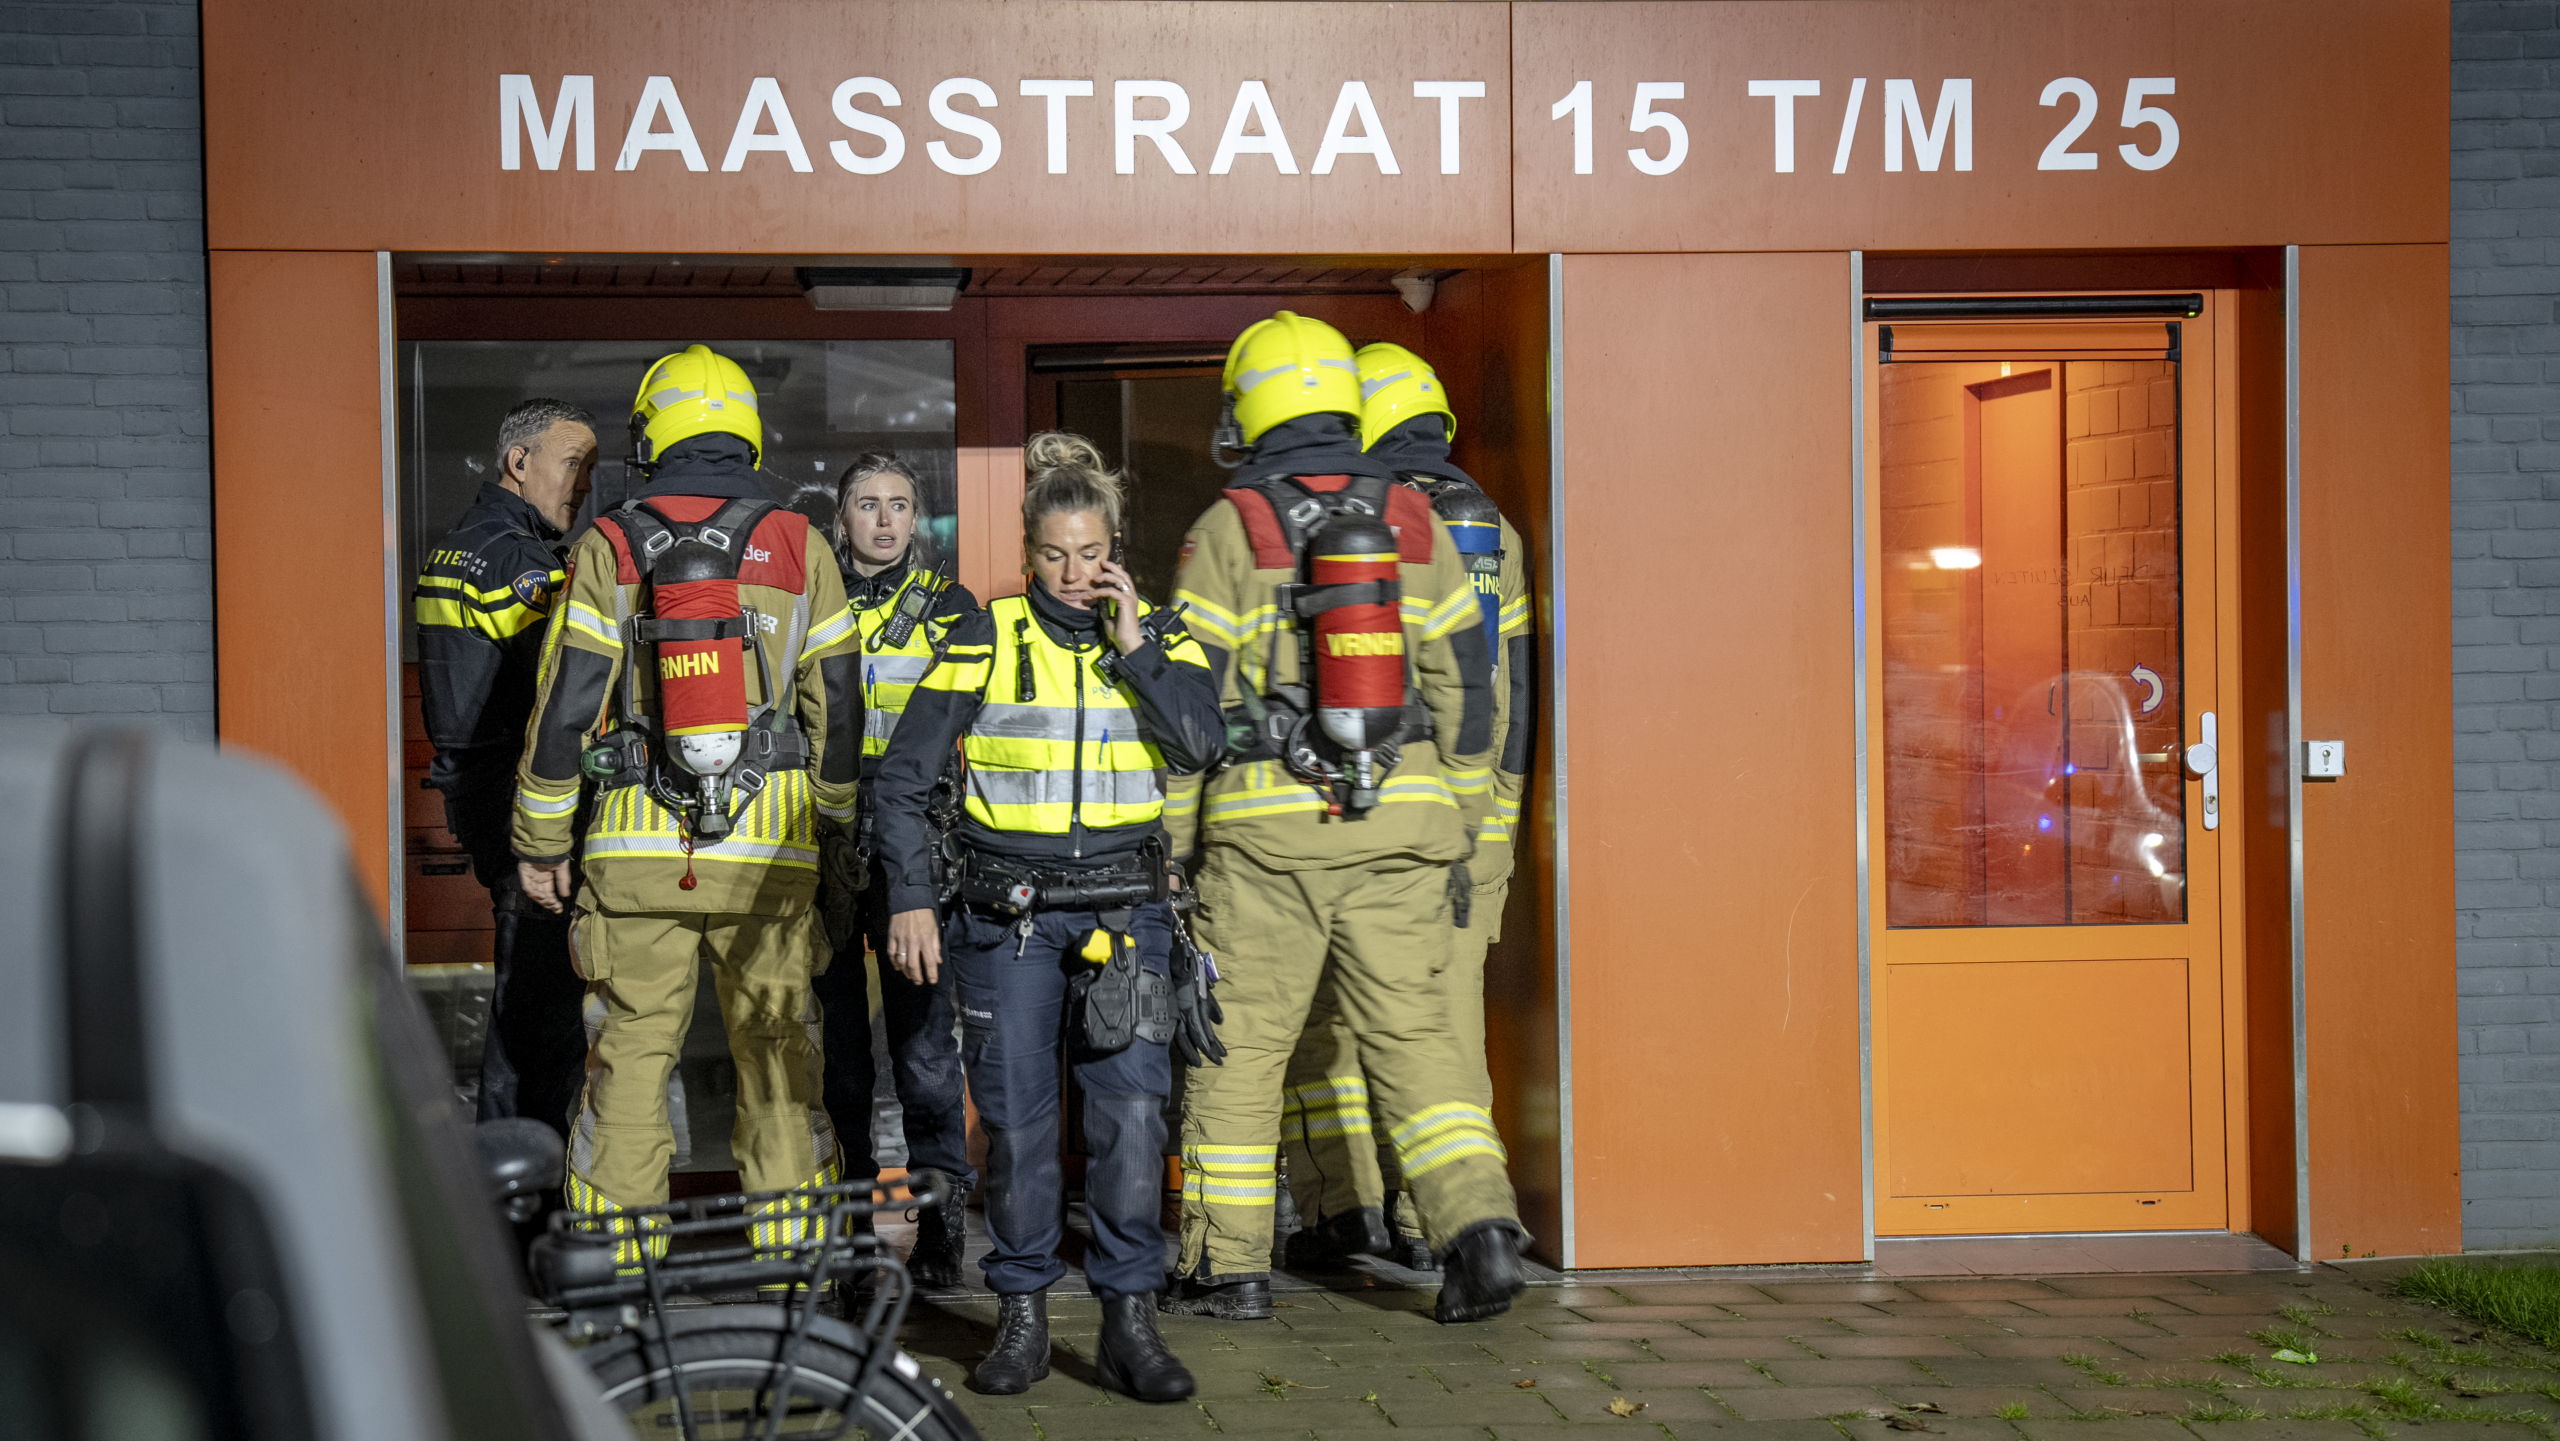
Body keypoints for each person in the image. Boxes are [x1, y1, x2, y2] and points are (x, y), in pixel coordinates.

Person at [1162, 312, 1528, 1325]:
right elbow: (1472, 691)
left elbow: (1196, 703)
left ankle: (1226, 1268)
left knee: (1242, 1050)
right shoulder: (1414, 517)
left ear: (1254, 407)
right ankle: (1479, 1236)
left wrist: (1175, 845)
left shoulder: (1230, 527)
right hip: (1406, 827)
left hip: (1265, 837)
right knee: (1419, 1042)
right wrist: (1455, 818)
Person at [874, 432, 1224, 1401]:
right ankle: (1021, 1318)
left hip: (1127, 917)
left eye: (1090, 553)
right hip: (1008, 923)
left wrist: (1135, 648)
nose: (1073, 574)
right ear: (1027, 553)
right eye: (1054, 555)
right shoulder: (984, 634)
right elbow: (900, 783)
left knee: (1130, 1121)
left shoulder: (1162, 635)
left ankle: (1128, 1324)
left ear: (1116, 548)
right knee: (1022, 1134)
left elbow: (1201, 742)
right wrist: (910, 897)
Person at [511, 345, 860, 1253]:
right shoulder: (799, 541)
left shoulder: (610, 542)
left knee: (627, 1069)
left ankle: (619, 1283)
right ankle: (796, 1280)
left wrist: (541, 840)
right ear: (746, 430)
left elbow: (566, 709)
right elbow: (841, 707)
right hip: (771, 858)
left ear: (650, 433)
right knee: (782, 1068)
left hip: (633, 856)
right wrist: (834, 828)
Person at [1279, 343, 1535, 1273]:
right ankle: (1452, 1227)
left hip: (1358, 814)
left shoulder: (1347, 518)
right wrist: (1490, 824)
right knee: (1443, 1028)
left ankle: (1344, 1209)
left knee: (1330, 1021)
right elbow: (1515, 693)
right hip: (1470, 828)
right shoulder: (1493, 534)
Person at [807, 453, 979, 1286]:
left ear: (918, 520)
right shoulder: (810, 598)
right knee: (838, 1056)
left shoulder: (952, 610)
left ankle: (942, 1228)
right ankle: (845, 1239)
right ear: (841, 518)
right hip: (825, 840)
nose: (884, 520)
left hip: (919, 848)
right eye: (867, 504)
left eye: (899, 505)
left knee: (923, 1053)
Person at [412, 398, 597, 1138]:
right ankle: (528, 1206)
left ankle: (517, 1194)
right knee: (540, 1018)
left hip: (482, 795)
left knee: (529, 1002)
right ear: (519, 463)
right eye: (572, 464)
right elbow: (569, 685)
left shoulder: (459, 544)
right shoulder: (520, 564)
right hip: (528, 807)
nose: (582, 484)